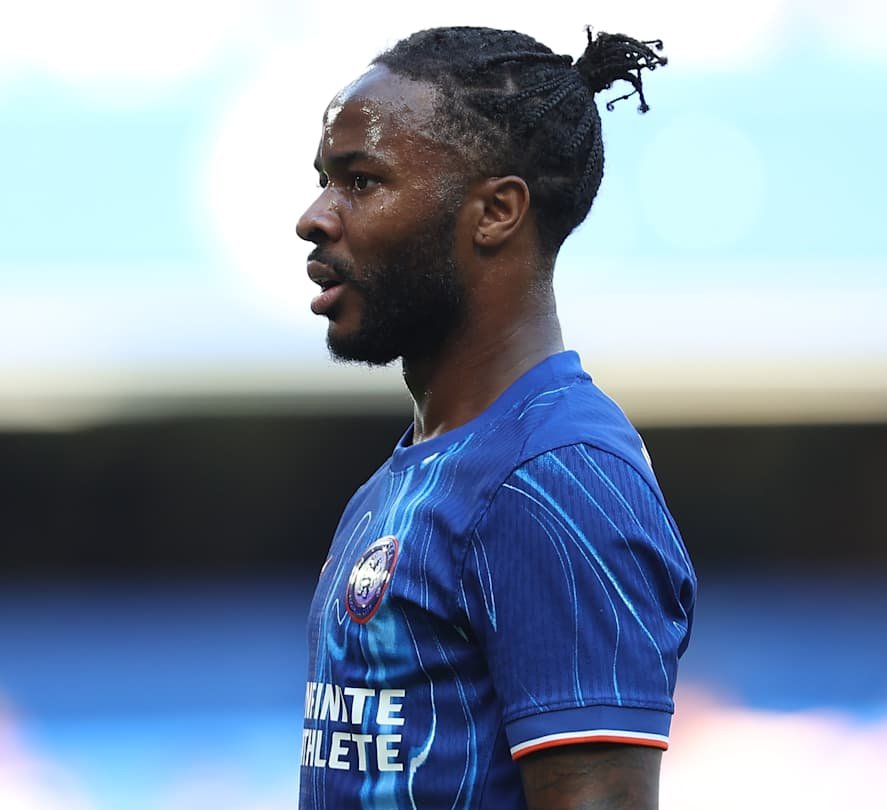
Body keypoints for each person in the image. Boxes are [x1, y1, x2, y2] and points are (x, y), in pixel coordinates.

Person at [295, 26, 697, 809]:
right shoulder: (419, 470)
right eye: (323, 180)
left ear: (496, 213)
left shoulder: (555, 480)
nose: (314, 217)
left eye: (362, 181)